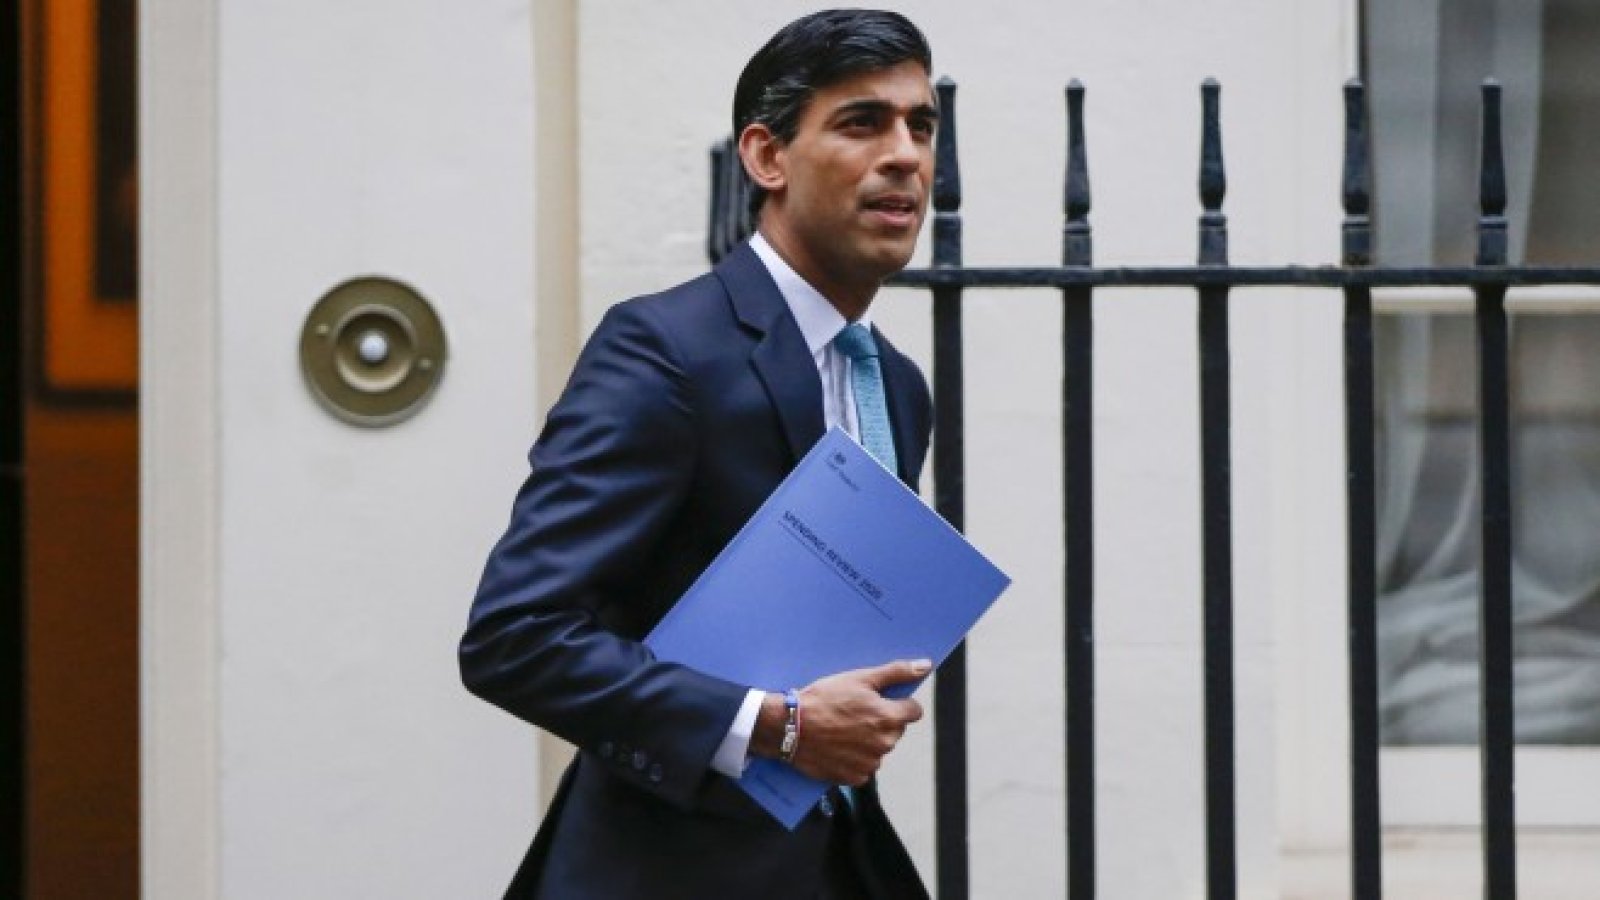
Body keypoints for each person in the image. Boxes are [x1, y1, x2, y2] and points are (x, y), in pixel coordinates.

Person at [460, 10, 939, 898]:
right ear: (766, 157)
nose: (905, 155)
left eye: (921, 125)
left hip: (832, 861)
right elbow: (515, 638)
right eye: (862, 123)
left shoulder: (898, 387)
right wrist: (777, 726)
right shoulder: (665, 350)